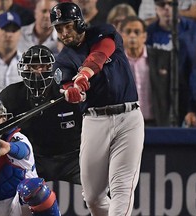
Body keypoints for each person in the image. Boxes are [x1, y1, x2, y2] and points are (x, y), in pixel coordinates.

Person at [50, 2, 144, 216]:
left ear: (79, 22)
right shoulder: (63, 59)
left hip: (128, 117)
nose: (64, 32)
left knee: (121, 187)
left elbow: (102, 53)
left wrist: (84, 73)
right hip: (95, 120)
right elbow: (65, 86)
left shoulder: (103, 32)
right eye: (59, 28)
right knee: (92, 197)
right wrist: (72, 92)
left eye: (68, 25)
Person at [0, 45, 82, 184]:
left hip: (73, 158)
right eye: (33, 66)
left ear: (53, 68)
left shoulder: (68, 92)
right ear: (24, 69)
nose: (38, 71)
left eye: (43, 66)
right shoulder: (10, 95)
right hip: (31, 157)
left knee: (96, 191)